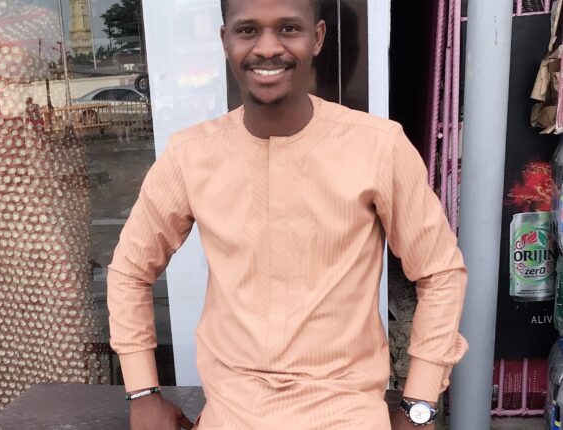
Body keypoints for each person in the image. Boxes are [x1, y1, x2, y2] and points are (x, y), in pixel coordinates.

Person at [107, 0, 468, 428]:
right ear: (225, 41)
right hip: (232, 413)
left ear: (317, 38)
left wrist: (420, 404)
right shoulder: (191, 155)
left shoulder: (378, 146)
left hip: (345, 413)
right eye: (247, 30)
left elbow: (440, 272)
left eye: (288, 29)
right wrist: (143, 393)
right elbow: (130, 270)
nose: (267, 48)